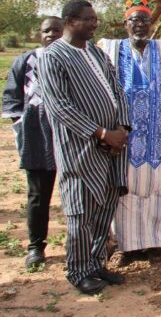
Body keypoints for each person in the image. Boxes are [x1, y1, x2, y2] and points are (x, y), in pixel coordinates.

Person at [37, 0, 130, 294]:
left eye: (95, 19)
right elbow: (60, 107)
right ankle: (78, 271)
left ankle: (95, 262)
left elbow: (117, 90)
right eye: (88, 19)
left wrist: (122, 130)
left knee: (105, 206)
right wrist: (102, 133)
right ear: (70, 21)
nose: (94, 24)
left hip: (112, 146)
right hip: (81, 148)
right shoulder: (53, 57)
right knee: (81, 210)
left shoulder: (96, 53)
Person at [98, 0, 161, 263]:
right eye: (134, 21)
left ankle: (156, 242)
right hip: (126, 138)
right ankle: (128, 246)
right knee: (126, 188)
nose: (139, 25)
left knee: (159, 187)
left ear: (151, 25)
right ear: (125, 24)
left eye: (144, 21)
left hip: (159, 136)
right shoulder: (111, 50)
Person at [2, 16, 63, 269]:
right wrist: (20, 125)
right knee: (38, 194)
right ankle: (36, 247)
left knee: (77, 194)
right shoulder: (26, 60)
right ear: (40, 34)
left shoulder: (76, 58)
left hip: (70, 134)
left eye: (56, 31)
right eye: (46, 31)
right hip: (37, 134)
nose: (51, 35)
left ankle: (82, 245)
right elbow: (11, 98)